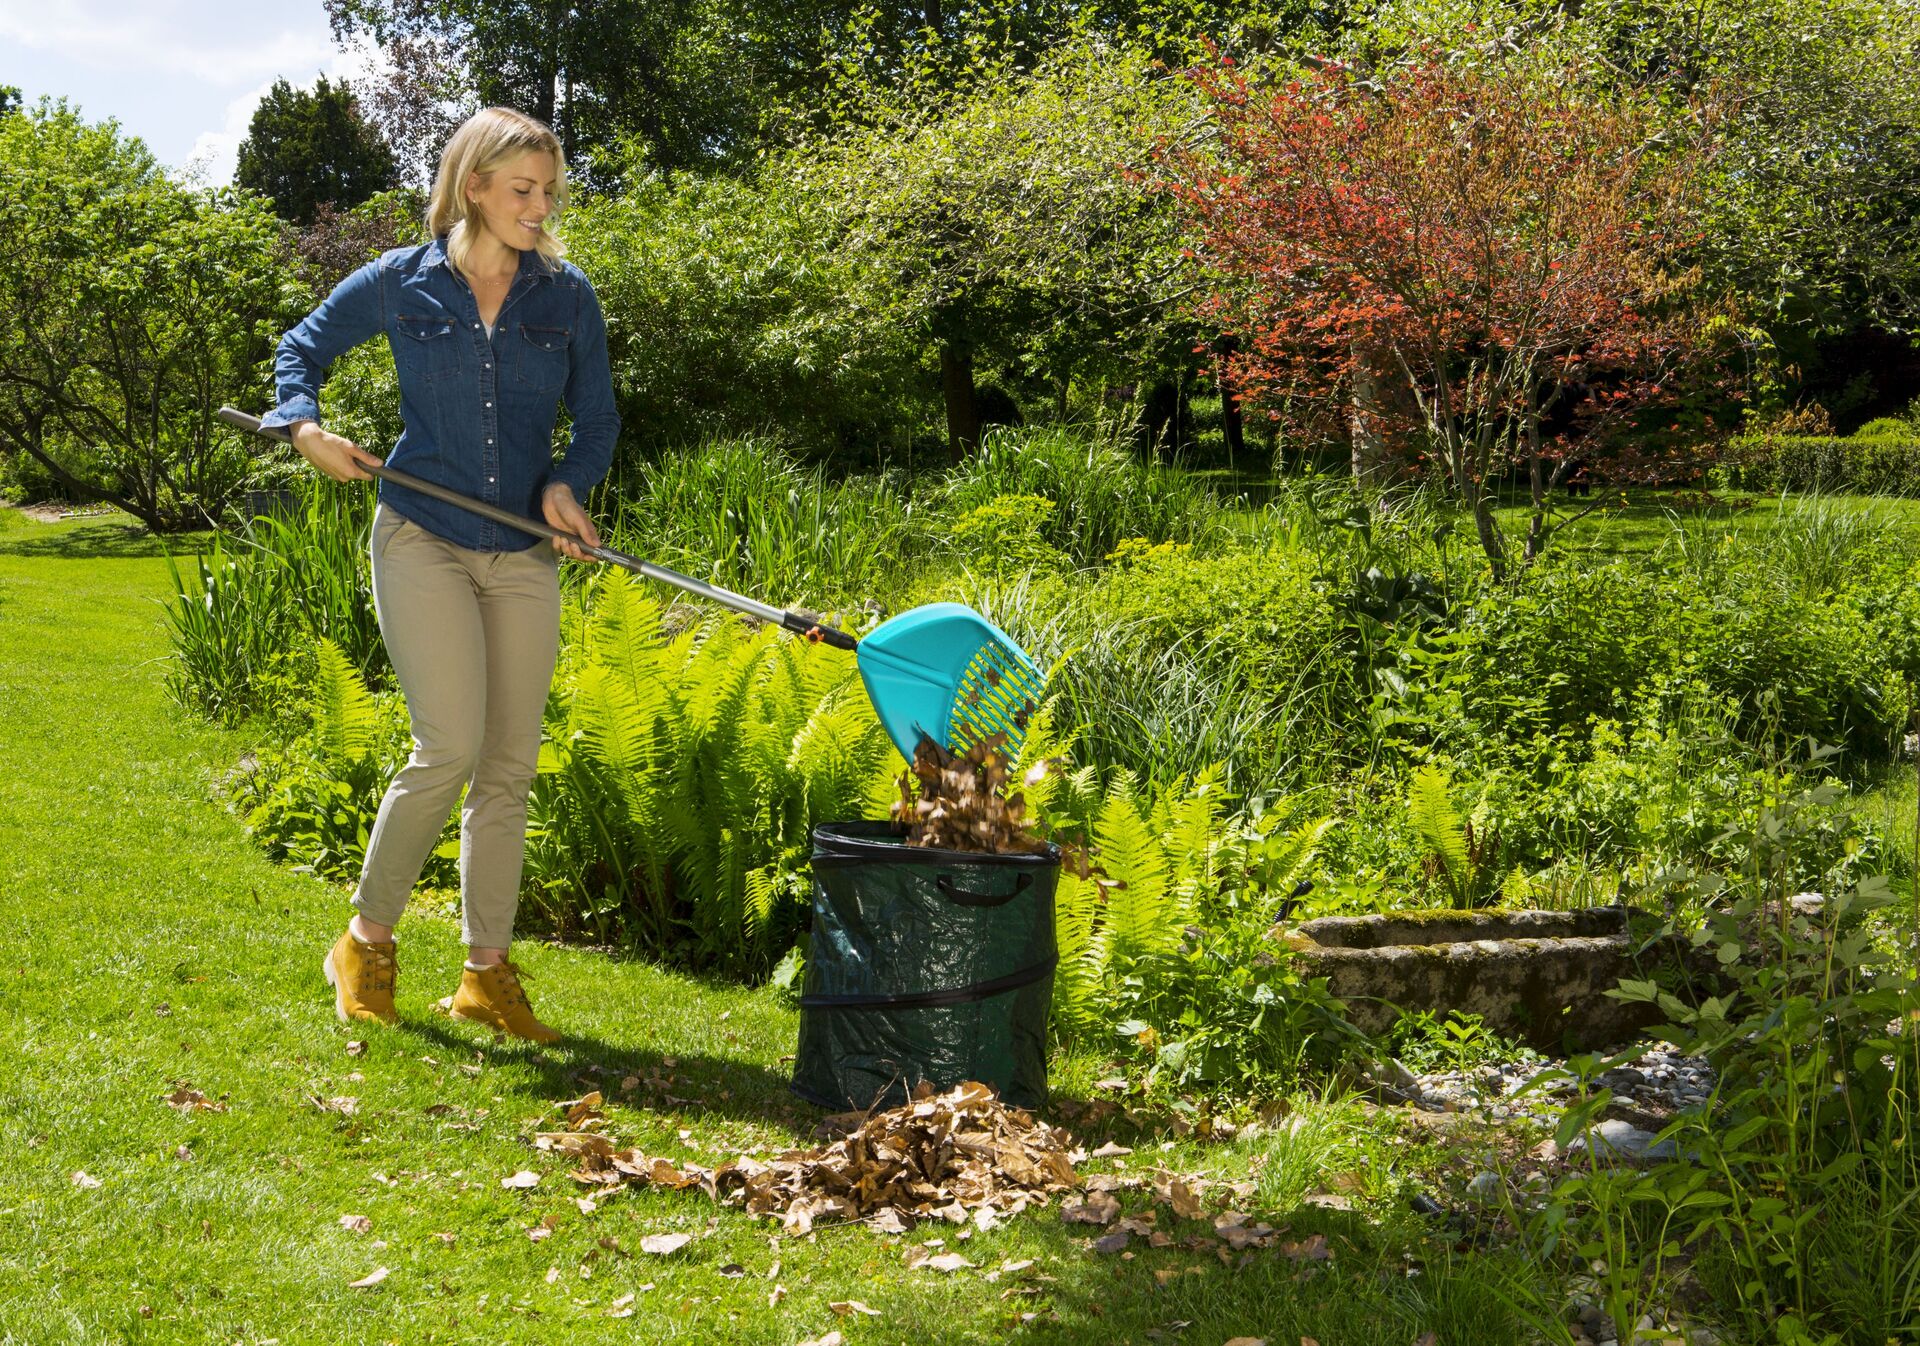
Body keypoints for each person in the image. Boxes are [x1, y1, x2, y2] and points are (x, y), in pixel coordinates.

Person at [261, 107, 620, 1042]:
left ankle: (484, 972)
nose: (540, 208)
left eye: (548, 191)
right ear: (473, 189)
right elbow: (298, 350)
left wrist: (568, 488)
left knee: (509, 763)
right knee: (449, 746)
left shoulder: (565, 296)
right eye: (522, 191)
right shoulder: (401, 283)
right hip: (421, 533)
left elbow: (598, 420)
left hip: (520, 553)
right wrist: (306, 430)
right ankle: (366, 941)